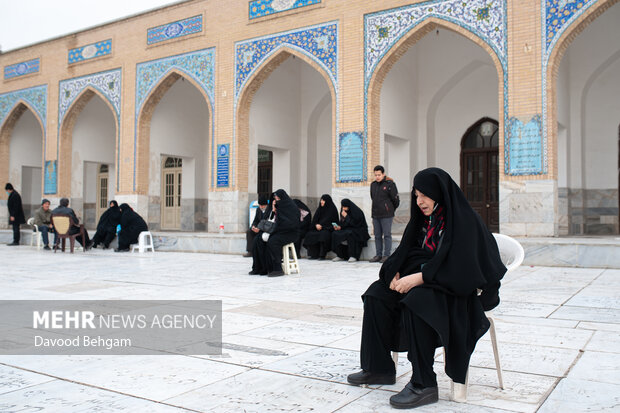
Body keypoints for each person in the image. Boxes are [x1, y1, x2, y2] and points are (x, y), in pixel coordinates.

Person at [346, 167, 506, 409]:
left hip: (460, 292)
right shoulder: (425, 220)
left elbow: (463, 269)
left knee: (417, 300)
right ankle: (378, 368)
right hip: (432, 283)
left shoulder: (463, 221)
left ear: (439, 193)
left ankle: (424, 383)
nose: (419, 202)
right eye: (416, 195)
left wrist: (420, 278)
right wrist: (394, 273)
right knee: (376, 294)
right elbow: (407, 251)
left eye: (425, 195)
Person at [249, 189, 300, 277]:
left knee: (273, 241)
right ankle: (261, 267)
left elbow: (290, 224)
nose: (276, 201)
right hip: (280, 231)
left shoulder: (291, 207)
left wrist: (276, 229)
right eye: (275, 199)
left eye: (277, 199)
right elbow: (271, 221)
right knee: (257, 240)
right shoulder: (277, 207)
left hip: (290, 233)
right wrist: (273, 210)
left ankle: (277, 269)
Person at [370, 165, 400, 263]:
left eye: (379, 175)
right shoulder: (373, 185)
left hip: (387, 215)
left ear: (383, 174)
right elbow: (372, 198)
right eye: (376, 175)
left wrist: (389, 209)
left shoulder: (390, 184)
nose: (377, 177)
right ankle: (378, 255)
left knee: (387, 235)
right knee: (377, 235)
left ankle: (387, 255)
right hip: (376, 214)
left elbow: (395, 200)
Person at [303, 194, 339, 260]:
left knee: (323, 235)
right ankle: (313, 255)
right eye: (321, 200)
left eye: (323, 200)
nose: (321, 202)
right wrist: (316, 225)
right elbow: (314, 220)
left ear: (327, 201)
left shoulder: (332, 209)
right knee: (310, 234)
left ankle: (322, 255)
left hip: (328, 229)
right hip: (318, 228)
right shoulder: (319, 209)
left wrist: (323, 227)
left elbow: (334, 223)